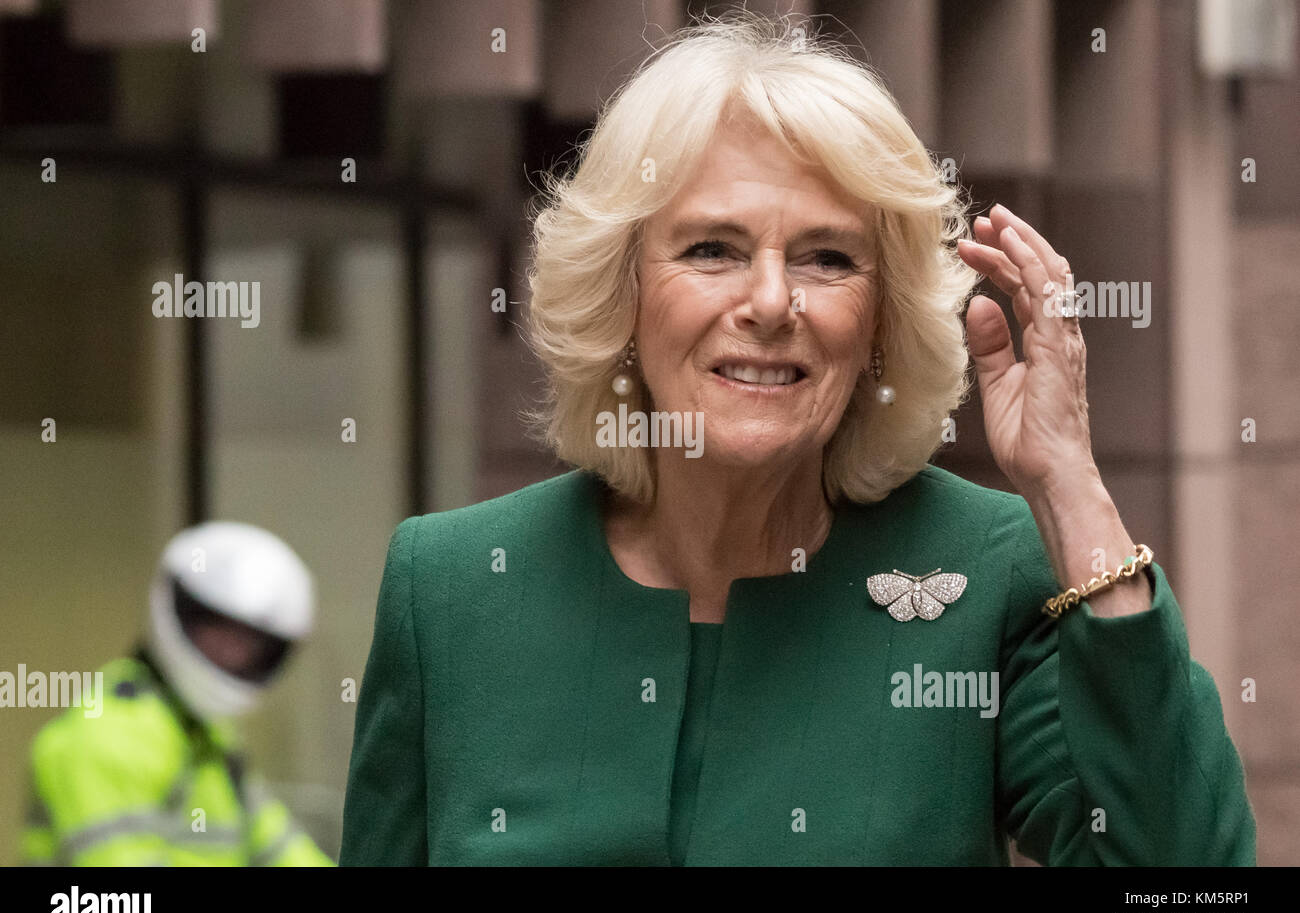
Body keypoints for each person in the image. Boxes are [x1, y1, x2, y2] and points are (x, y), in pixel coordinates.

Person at [340, 12, 1255, 866]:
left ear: (879, 327)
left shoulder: (983, 572)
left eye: (828, 258)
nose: (773, 303)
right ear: (623, 297)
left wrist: (1071, 488)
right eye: (712, 250)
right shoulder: (453, 591)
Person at [22, 522, 335, 866]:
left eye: (250, 645)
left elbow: (281, 849)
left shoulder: (208, 737)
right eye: (218, 631)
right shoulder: (107, 735)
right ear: (185, 612)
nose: (232, 654)